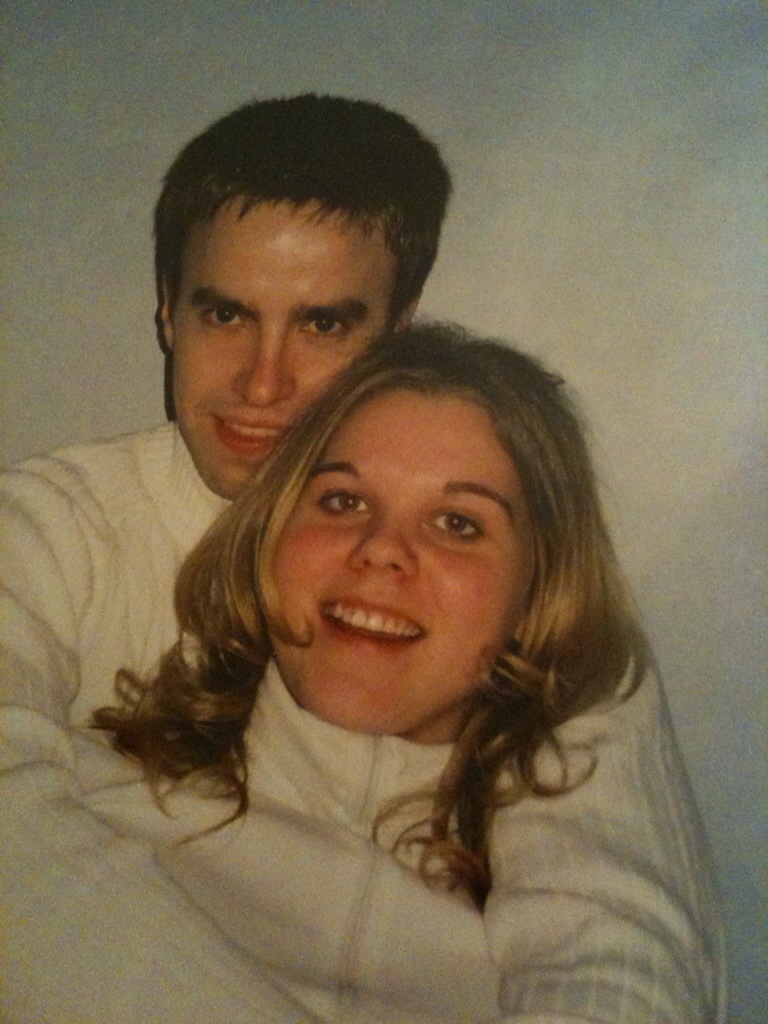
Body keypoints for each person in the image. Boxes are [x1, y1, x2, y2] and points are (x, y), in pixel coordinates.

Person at [87, 325, 724, 1023]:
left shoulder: (572, 911)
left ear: (537, 592)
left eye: (457, 523)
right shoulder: (94, 813)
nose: (382, 549)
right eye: (343, 501)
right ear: (272, 531)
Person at [0, 94, 450, 1022]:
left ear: (397, 337)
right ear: (168, 310)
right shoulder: (48, 527)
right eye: (226, 314)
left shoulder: (503, 565)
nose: (262, 381)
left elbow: (621, 936)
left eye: (323, 325)